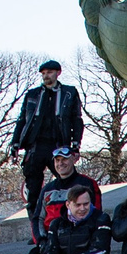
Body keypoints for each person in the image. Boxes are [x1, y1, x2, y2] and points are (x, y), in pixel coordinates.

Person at [10, 59, 84, 223]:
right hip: (35, 146)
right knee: (33, 190)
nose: (46, 76)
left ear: (58, 73)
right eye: (43, 73)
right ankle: (36, 228)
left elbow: (77, 119)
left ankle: (69, 221)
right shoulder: (33, 94)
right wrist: (15, 144)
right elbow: (22, 120)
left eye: (49, 72)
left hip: (58, 145)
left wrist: (76, 145)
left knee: (67, 184)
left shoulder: (69, 93)